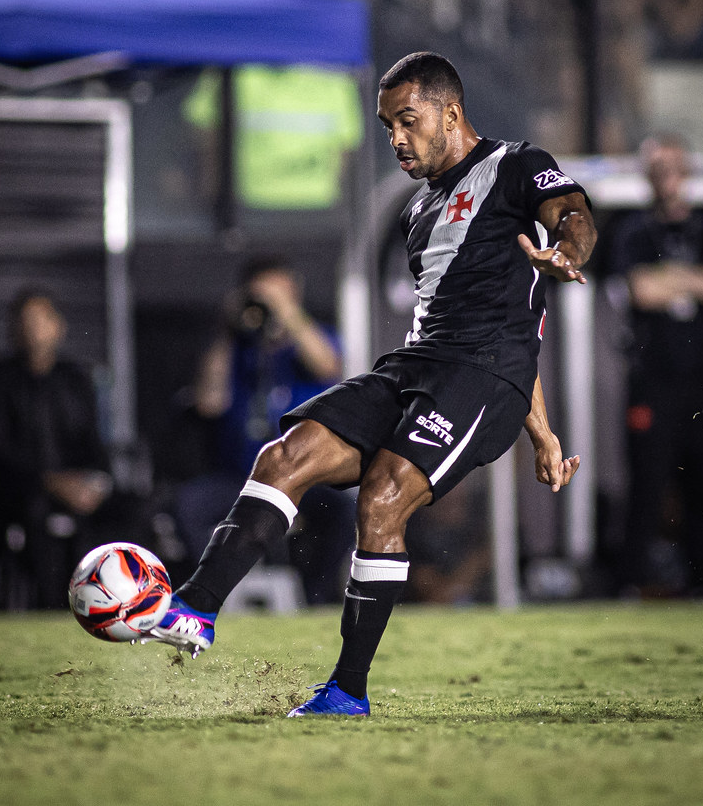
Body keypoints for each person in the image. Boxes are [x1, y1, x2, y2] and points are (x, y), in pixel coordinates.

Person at [141, 51, 597, 717]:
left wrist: (566, 251)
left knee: (383, 496)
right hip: (417, 365)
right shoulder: (416, 214)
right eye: (387, 126)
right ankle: (196, 607)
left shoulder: (514, 165)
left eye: (408, 121)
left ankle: (346, 691)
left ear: (450, 112)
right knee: (285, 455)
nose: (396, 139)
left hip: (482, 376)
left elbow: (572, 213)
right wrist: (545, 435)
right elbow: (508, 325)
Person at [178, 255, 355, 602]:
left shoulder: (311, 342)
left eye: (280, 294)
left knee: (342, 511)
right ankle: (212, 595)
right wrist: (229, 330)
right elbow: (209, 402)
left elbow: (327, 366)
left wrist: (287, 312)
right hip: (242, 479)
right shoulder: (237, 350)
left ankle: (314, 599)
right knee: (188, 506)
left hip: (305, 479)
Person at [609, 134, 703, 596]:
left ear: (687, 170)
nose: (666, 175)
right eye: (657, 166)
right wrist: (698, 279)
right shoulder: (633, 232)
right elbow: (642, 291)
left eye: (673, 165)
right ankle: (630, 584)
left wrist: (674, 278)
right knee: (647, 483)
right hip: (652, 381)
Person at [0, 289, 112, 608]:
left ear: (58, 326)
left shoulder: (75, 380)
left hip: (76, 488)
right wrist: (50, 481)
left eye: (41, 320)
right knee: (36, 512)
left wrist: (96, 483)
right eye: (25, 321)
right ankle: (52, 606)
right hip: (19, 490)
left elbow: (92, 443)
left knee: (128, 510)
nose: (33, 329)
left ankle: (120, 601)